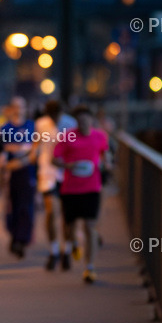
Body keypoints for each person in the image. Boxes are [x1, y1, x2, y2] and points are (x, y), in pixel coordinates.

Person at [53, 106, 110, 283]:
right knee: (69, 227)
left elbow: (105, 154)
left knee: (90, 226)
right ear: (77, 121)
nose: (84, 123)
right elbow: (54, 159)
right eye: (80, 120)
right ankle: (74, 243)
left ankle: (90, 267)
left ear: (92, 121)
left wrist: (106, 164)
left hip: (92, 187)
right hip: (70, 188)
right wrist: (69, 166)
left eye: (87, 119)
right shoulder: (68, 136)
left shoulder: (100, 136)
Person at [35, 100, 78, 270]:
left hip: (66, 172)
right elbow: (37, 145)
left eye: (57, 114)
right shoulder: (41, 124)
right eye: (52, 115)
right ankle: (53, 250)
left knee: (67, 214)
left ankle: (66, 249)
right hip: (47, 172)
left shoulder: (70, 124)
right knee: (51, 211)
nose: (55, 118)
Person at [0, 97, 36, 259]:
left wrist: (20, 162)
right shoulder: (5, 128)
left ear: (25, 108)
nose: (18, 110)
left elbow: (34, 151)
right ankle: (14, 235)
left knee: (26, 207)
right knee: (12, 206)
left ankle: (21, 240)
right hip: (10, 175)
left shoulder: (32, 127)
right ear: (11, 108)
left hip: (27, 173)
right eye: (16, 107)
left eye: (21, 106)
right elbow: (1, 153)